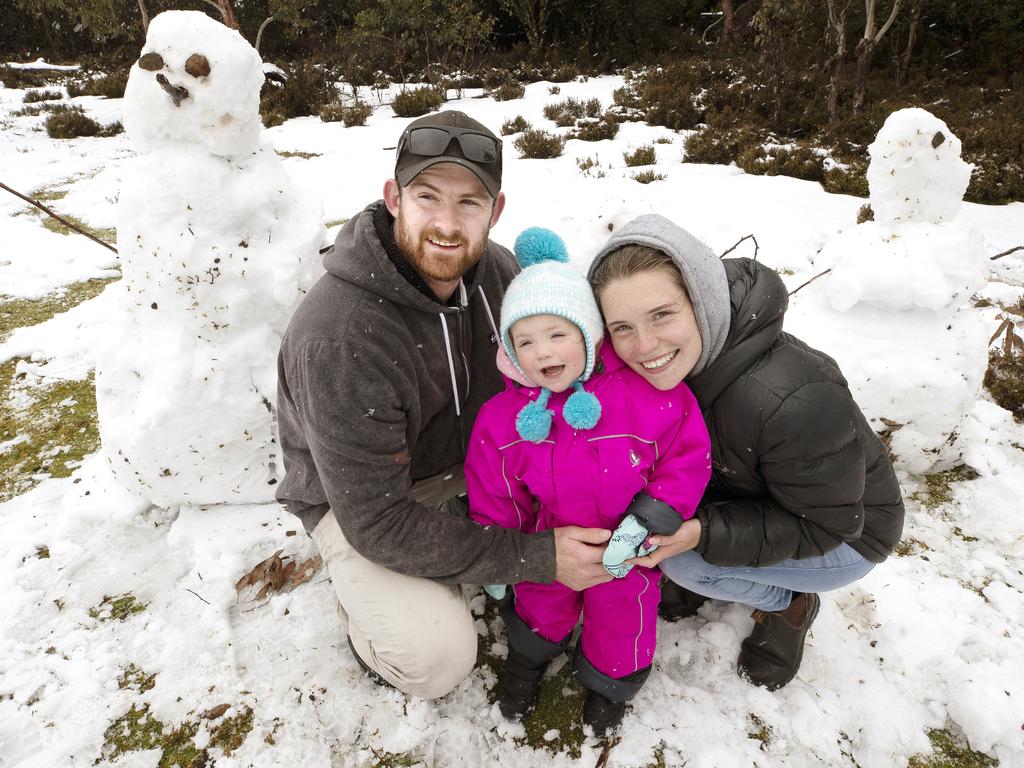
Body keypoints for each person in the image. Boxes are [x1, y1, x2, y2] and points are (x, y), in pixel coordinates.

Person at [275, 111, 613, 699]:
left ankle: (461, 550)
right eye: (428, 196)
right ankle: (371, 621)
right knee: (435, 660)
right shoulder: (341, 336)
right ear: (394, 198)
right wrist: (536, 557)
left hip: (479, 464)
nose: (447, 224)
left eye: (470, 203)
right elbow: (378, 522)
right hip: (370, 500)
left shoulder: (501, 273)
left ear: (496, 211)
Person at [587, 214, 905, 691]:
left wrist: (700, 533)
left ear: (702, 300)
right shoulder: (677, 361)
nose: (644, 345)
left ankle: (789, 605)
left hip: (847, 533)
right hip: (751, 490)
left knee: (684, 562)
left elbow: (830, 523)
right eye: (622, 328)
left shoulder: (788, 399)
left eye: (662, 315)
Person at [465, 228, 711, 734]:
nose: (543, 352)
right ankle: (527, 663)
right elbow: (496, 487)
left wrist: (654, 516)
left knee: (624, 617)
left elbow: (686, 456)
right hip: (549, 538)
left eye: (558, 334)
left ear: (588, 334)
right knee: (539, 604)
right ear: (510, 352)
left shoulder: (643, 393)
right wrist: (501, 549)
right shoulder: (502, 418)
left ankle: (610, 687)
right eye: (525, 341)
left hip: (627, 540)